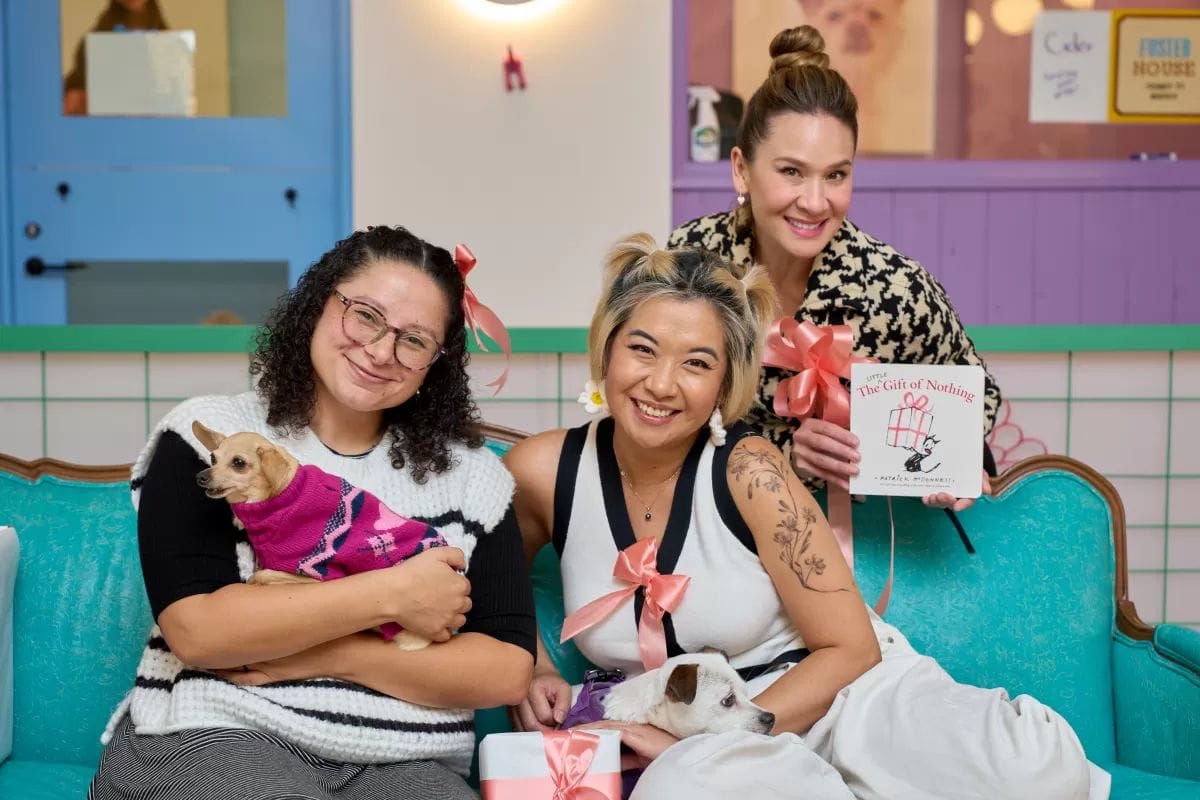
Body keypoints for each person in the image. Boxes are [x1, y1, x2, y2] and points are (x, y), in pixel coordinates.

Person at [505, 234, 1098, 799]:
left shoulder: (750, 470)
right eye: (642, 349)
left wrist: (711, 737)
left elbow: (850, 650)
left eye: (697, 363)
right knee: (684, 787)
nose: (661, 383)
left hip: (843, 697)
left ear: (725, 383)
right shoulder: (543, 472)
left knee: (1036, 778)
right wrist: (531, 666)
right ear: (606, 346)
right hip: (707, 752)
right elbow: (493, 579)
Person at [89, 225, 536, 800]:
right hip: (217, 736)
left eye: (415, 340)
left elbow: (503, 671)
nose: (380, 352)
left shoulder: (474, 479)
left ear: (437, 363)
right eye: (365, 316)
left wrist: (332, 653)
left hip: (407, 763)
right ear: (319, 303)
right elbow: (199, 633)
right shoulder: (212, 438)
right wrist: (397, 596)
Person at [667, 25, 1000, 512]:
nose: (816, 203)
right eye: (792, 172)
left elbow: (975, 400)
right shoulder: (690, 262)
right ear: (741, 168)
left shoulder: (895, 287)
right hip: (711, 532)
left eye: (837, 175)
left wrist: (955, 463)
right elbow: (654, 422)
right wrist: (786, 459)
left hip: (870, 548)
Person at [63, 0, 170, 115]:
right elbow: (75, 88)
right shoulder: (94, 42)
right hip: (107, 124)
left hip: (152, 123)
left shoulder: (169, 44)